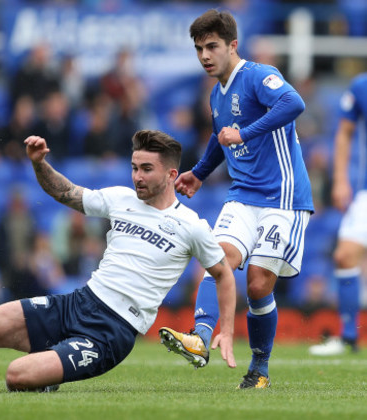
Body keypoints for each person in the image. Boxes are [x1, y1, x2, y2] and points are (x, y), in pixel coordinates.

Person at [0, 130, 237, 393]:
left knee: (16, 376)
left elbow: (222, 274)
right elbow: (66, 193)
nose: (137, 177)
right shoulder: (121, 198)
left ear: (170, 174)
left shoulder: (192, 225)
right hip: (78, 302)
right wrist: (38, 163)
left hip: (111, 332)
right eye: (134, 167)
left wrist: (225, 328)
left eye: (147, 169)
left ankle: (51, 371)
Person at [157, 9, 314, 389]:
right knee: (218, 259)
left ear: (232, 45)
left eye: (212, 46)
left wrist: (244, 134)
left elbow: (293, 104)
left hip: (283, 198)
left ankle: (259, 368)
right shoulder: (216, 93)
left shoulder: (258, 75)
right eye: (199, 49)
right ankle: (199, 338)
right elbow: (218, 136)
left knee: (258, 285)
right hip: (242, 195)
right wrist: (199, 171)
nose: (205, 55)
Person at [308, 74, 367, 356]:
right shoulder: (360, 86)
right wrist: (341, 179)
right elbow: (344, 132)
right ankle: (348, 338)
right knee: (345, 255)